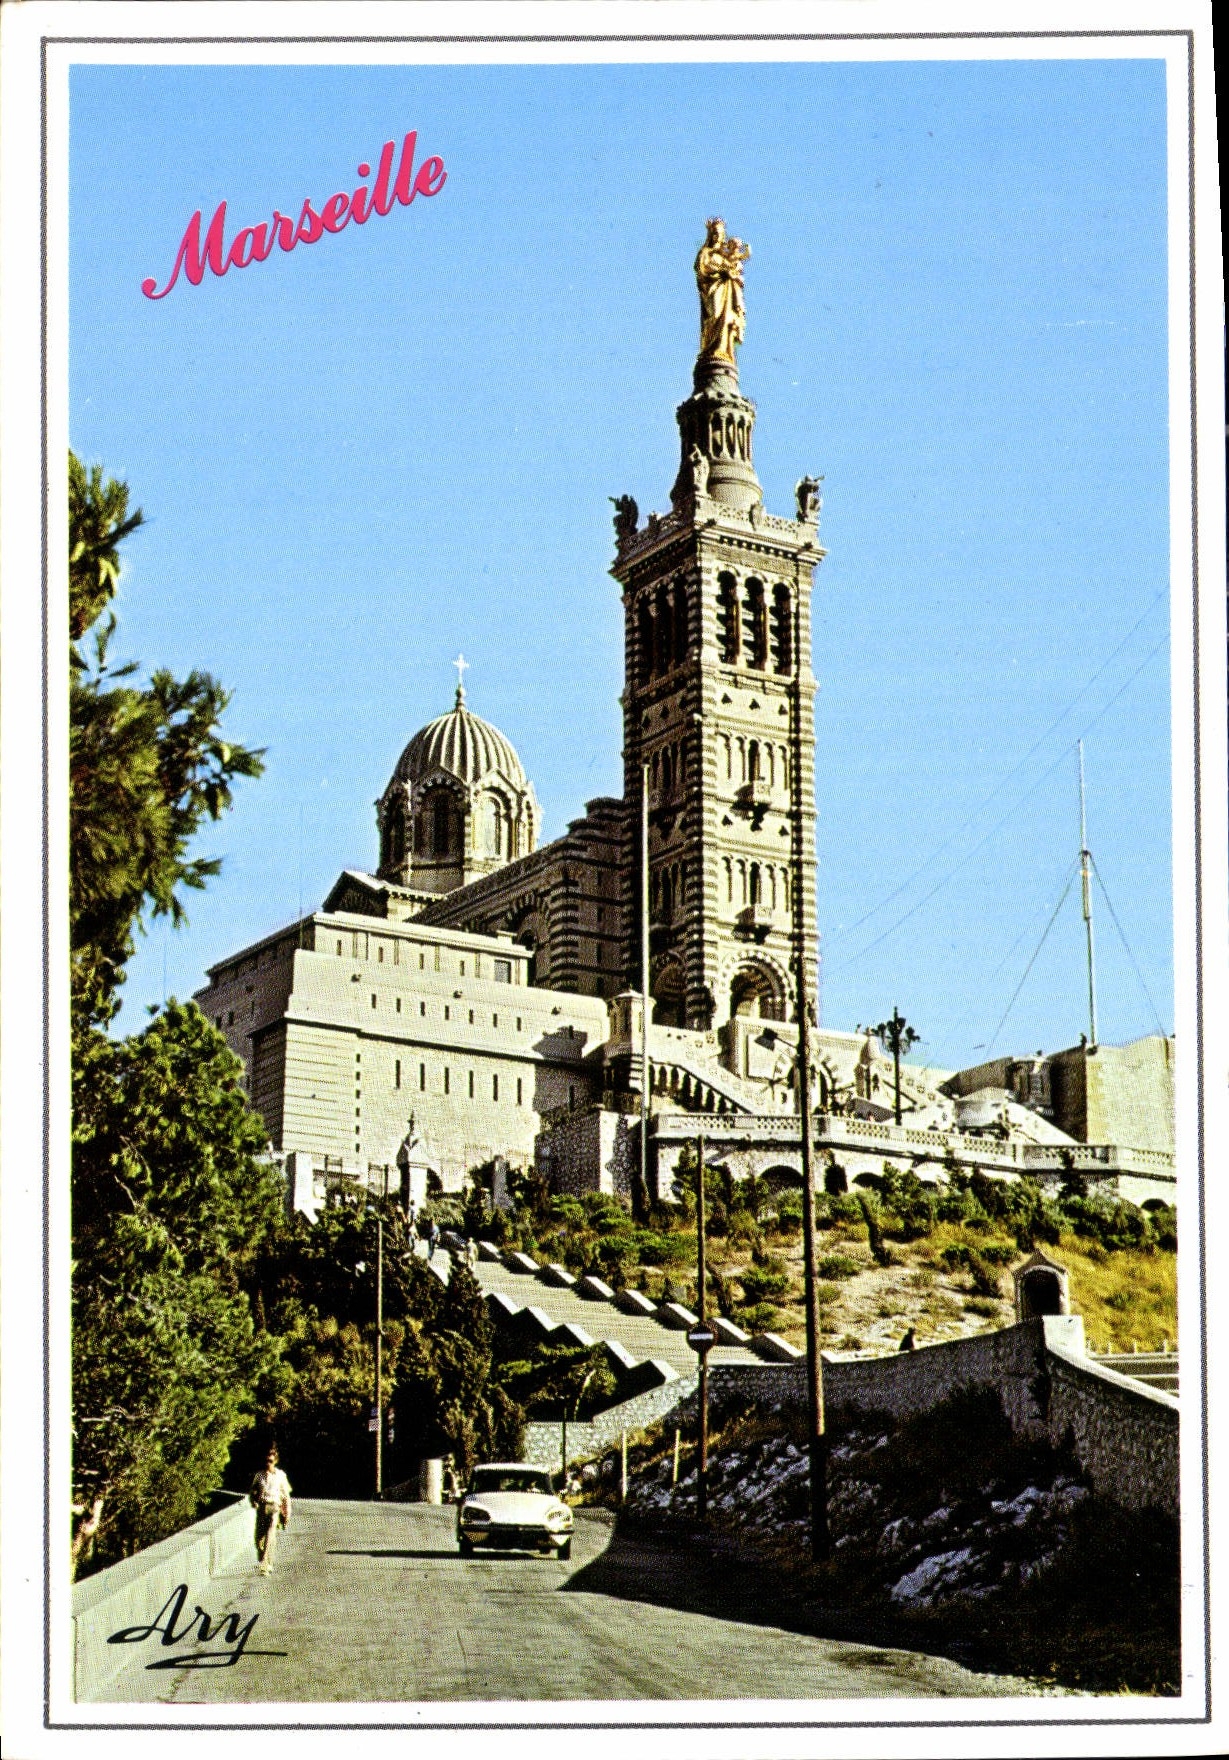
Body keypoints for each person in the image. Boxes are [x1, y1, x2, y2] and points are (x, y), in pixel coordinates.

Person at [249, 1444, 292, 1575]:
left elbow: (286, 1497)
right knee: (258, 1540)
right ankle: (266, 1560)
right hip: (262, 1508)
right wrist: (253, 1502)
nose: (268, 1463)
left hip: (274, 1507)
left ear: (275, 1461)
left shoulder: (281, 1475)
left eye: (271, 1461)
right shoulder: (259, 1475)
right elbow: (252, 1492)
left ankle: (264, 1564)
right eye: (266, 1460)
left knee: (270, 1534)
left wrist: (287, 1513)